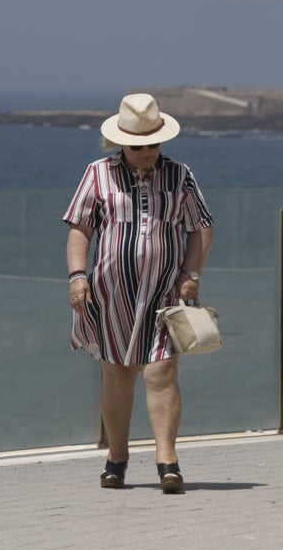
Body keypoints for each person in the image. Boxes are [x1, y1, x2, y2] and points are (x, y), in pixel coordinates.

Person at [63, 93, 214, 493]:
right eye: (138, 144)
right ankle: (117, 458)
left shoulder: (181, 176)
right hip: (111, 294)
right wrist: (77, 276)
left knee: (162, 373)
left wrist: (191, 273)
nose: (148, 151)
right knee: (116, 374)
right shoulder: (98, 174)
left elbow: (200, 228)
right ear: (120, 143)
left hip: (164, 293)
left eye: (154, 143)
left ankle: (168, 462)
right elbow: (80, 229)